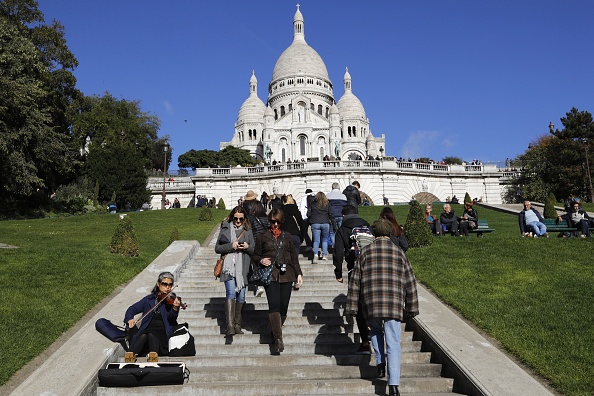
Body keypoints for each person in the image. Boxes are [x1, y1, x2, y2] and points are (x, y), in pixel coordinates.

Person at [345, 219, 419, 396]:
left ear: (374, 234)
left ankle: (380, 363)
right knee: (393, 342)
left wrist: (352, 307)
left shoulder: (364, 253)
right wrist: (412, 307)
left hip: (372, 303)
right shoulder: (399, 252)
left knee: (375, 332)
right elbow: (410, 281)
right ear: (390, 233)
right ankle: (393, 385)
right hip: (393, 303)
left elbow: (355, 282)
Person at [252, 209, 303, 354]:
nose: (274, 224)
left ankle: (275, 331)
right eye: (272, 221)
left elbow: (293, 256)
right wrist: (261, 260)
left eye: (277, 222)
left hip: (287, 275)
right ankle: (278, 339)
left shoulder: (287, 236)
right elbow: (255, 255)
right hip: (270, 275)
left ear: (281, 222)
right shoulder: (262, 236)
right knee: (274, 305)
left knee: (283, 307)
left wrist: (299, 273)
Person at [333, 205, 371, 354]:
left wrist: (338, 271)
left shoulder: (342, 229)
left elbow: (338, 252)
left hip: (353, 269)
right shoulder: (368, 226)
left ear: (343, 215)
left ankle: (365, 341)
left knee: (359, 305)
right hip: (371, 268)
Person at [214, 206, 255, 335]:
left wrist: (247, 247)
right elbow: (217, 248)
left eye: (241, 219)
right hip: (228, 268)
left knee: (241, 296)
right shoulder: (225, 228)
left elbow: (254, 249)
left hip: (243, 268)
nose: (238, 221)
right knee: (231, 293)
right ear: (232, 217)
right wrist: (230, 246)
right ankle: (230, 326)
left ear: (244, 219)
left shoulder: (248, 231)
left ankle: (238, 324)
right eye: (236, 218)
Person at [124, 272, 182, 362]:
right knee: (144, 334)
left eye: (170, 285)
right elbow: (132, 309)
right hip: (147, 333)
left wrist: (175, 308)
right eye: (165, 284)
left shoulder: (171, 301)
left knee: (151, 333)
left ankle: (153, 355)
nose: (168, 287)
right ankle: (130, 355)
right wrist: (129, 319)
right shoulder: (149, 299)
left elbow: (172, 318)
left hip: (162, 335)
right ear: (158, 284)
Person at [243, 199, 270, 297]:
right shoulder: (266, 218)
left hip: (255, 243)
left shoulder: (251, 218)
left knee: (256, 263)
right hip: (266, 243)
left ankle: (259, 285)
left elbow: (248, 229)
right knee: (265, 262)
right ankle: (267, 280)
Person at [307, 191, 332, 263]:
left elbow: (308, 214)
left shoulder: (313, 204)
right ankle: (324, 255)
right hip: (325, 222)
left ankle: (315, 254)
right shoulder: (327, 204)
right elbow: (330, 214)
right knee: (324, 240)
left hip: (315, 223)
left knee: (316, 240)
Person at [326, 182, 348, 246]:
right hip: (341, 215)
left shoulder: (328, 196)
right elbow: (345, 207)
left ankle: (335, 246)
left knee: (332, 232)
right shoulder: (343, 196)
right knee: (341, 231)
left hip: (332, 216)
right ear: (339, 188)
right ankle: (342, 245)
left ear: (332, 188)